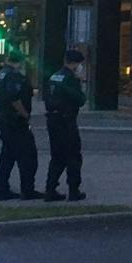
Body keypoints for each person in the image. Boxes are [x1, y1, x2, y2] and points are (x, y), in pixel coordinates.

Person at [0, 51, 39, 200]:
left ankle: (2, 189)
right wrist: (25, 115)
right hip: (16, 122)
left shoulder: (1, 74)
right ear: (20, 62)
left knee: (7, 156)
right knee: (28, 157)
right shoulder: (14, 76)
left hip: (5, 120)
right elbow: (15, 99)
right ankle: (28, 190)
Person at [43, 49, 87, 201]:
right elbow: (80, 100)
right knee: (73, 156)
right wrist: (79, 81)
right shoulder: (70, 79)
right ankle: (74, 190)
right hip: (66, 120)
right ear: (76, 64)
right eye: (81, 64)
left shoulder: (55, 76)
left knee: (57, 156)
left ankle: (50, 189)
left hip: (52, 119)